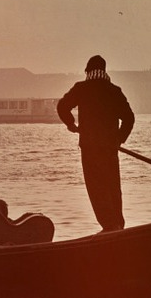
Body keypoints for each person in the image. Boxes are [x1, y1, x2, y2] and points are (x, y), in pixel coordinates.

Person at [57, 55, 135, 231]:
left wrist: (71, 124)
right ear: (104, 71)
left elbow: (62, 106)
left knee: (96, 187)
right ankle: (117, 224)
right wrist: (119, 139)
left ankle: (108, 225)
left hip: (89, 147)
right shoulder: (114, 91)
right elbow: (129, 118)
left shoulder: (81, 89)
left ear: (88, 71)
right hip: (109, 148)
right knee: (112, 186)